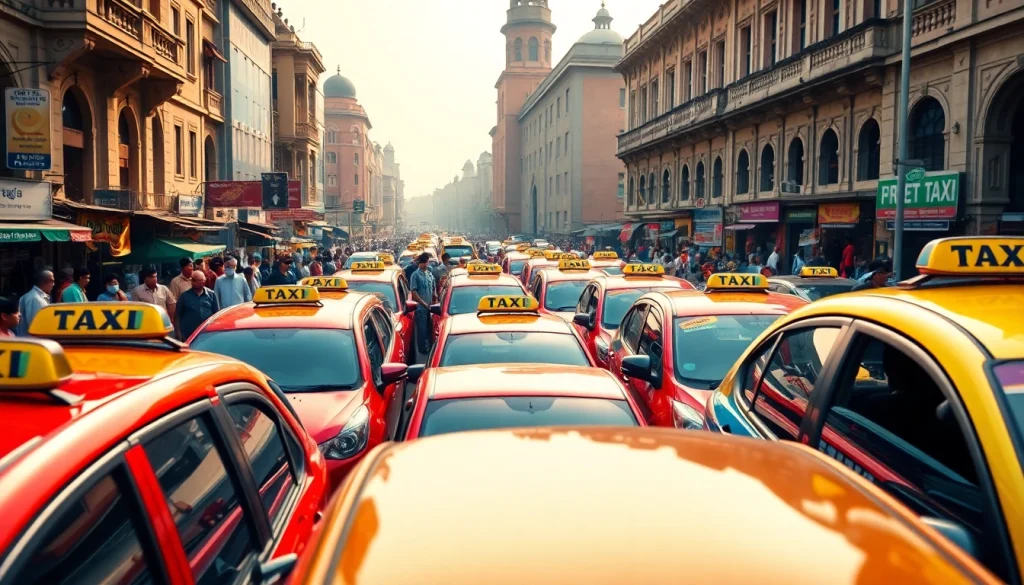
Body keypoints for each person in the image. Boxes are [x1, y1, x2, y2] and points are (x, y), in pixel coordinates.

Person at [175, 270, 220, 341]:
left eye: (194, 280)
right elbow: (177, 316)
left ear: (203, 282)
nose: (192, 282)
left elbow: (216, 315)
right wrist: (178, 333)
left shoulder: (211, 295)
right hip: (188, 335)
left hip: (207, 334)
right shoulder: (184, 296)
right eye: (192, 279)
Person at [409, 253, 436, 355]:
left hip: (430, 307)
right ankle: (423, 349)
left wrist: (435, 295)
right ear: (421, 263)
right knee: (422, 329)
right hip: (421, 307)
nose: (427, 265)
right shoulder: (415, 275)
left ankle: (430, 348)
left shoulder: (429, 274)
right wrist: (424, 304)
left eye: (427, 263)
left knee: (430, 329)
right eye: (426, 263)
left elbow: (433, 286)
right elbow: (414, 293)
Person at [18, 270, 54, 336]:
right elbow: (36, 325)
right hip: (33, 340)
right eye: (52, 281)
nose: (53, 284)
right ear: (43, 281)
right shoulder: (35, 299)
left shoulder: (36, 297)